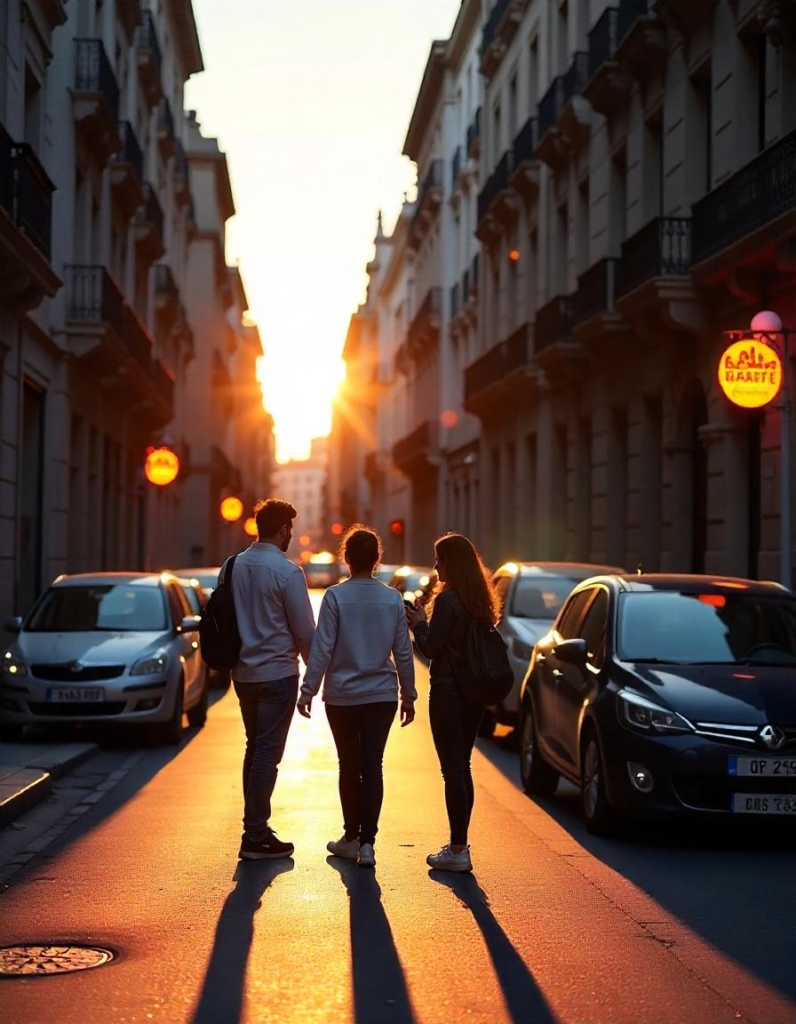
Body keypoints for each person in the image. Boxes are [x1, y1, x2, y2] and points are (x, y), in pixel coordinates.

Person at [297, 525, 417, 868]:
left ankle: (351, 837)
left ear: (346, 559)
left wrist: (308, 690)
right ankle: (367, 844)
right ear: (377, 559)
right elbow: (403, 652)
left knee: (349, 766)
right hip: (381, 695)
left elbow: (322, 649)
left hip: (343, 696)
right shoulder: (391, 598)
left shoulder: (335, 597)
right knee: (373, 765)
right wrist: (408, 695)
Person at [405, 532, 499, 873]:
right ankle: (460, 843)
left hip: (447, 692)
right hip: (473, 694)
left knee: (453, 770)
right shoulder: (479, 600)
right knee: (463, 767)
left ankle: (457, 849)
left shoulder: (448, 601)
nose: (434, 565)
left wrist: (419, 625)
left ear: (451, 563)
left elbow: (431, 649)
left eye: (439, 559)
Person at [230, 498, 316, 860]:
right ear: (281, 529)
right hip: (277, 673)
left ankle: (255, 828)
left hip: (243, 673)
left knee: (255, 746)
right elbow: (305, 632)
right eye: (290, 530)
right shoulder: (287, 572)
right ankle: (255, 835)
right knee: (267, 752)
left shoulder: (232, 566)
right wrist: (318, 674)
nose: (291, 537)